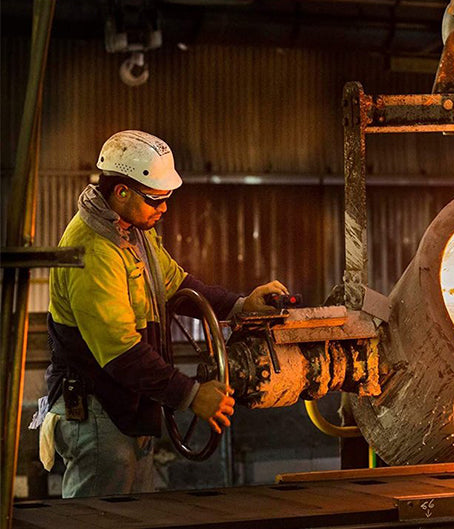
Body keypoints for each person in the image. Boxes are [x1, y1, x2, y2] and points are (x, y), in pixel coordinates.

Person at [38, 130, 288, 498]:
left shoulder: (133, 232)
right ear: (122, 192)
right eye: (155, 199)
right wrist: (191, 394)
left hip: (126, 406)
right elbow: (121, 353)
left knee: (135, 519)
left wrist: (240, 306)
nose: (164, 208)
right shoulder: (93, 250)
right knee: (99, 521)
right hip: (97, 412)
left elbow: (177, 286)